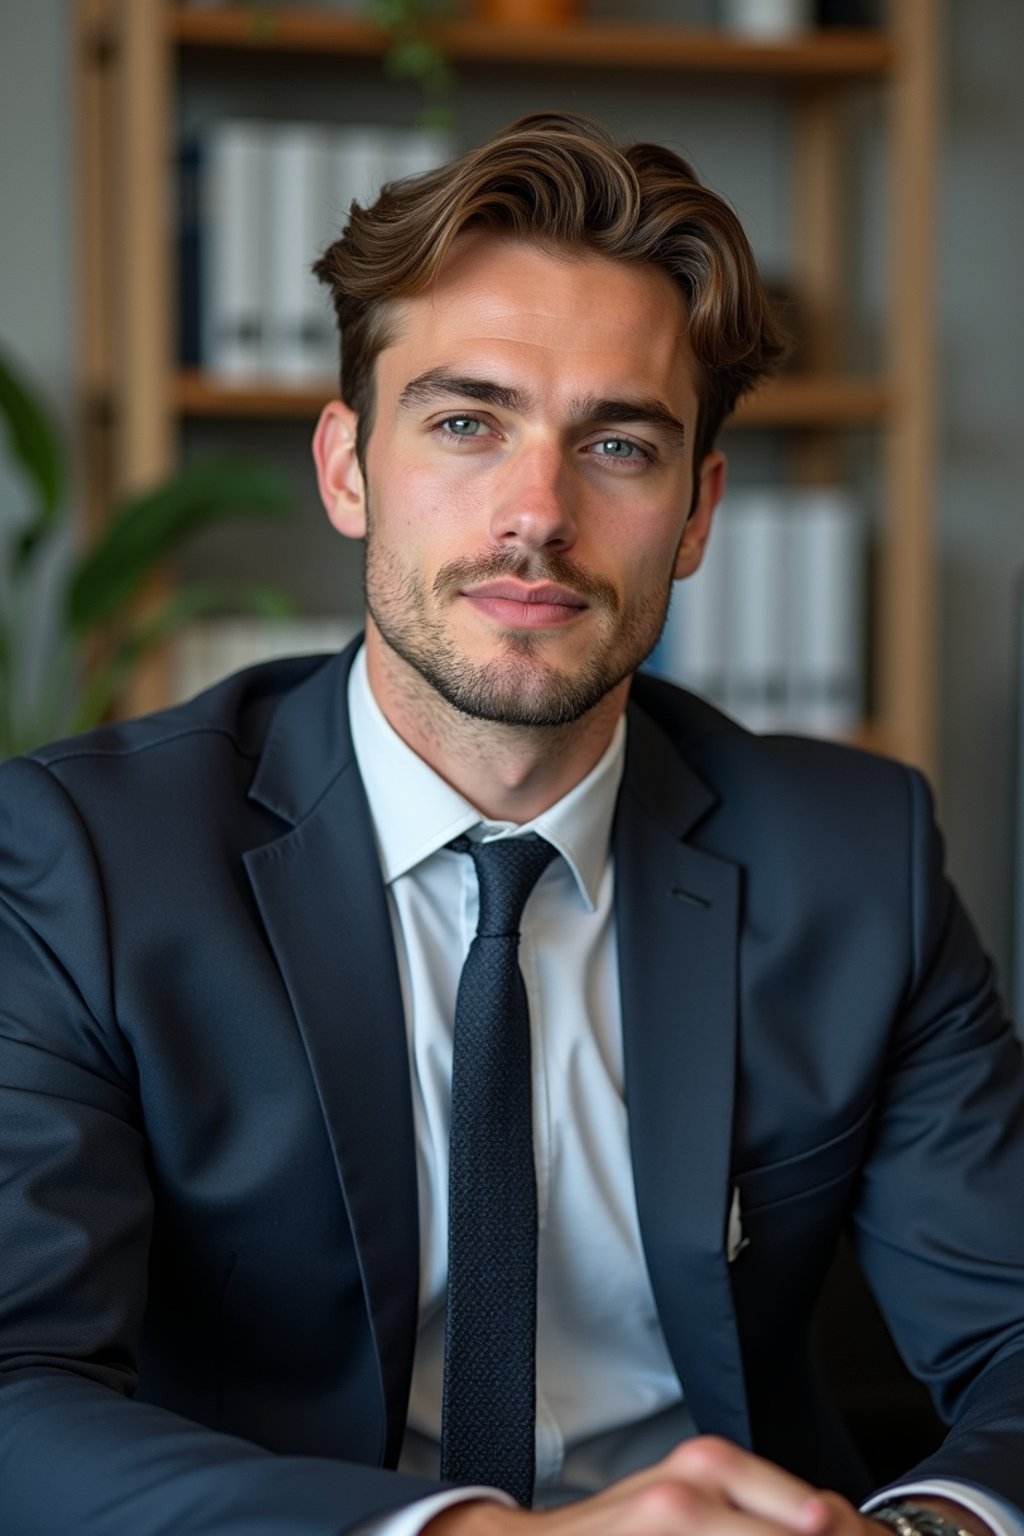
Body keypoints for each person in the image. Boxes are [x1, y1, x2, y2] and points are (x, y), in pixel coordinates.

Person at [1, 111, 1023, 1536]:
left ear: (698, 512)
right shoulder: (86, 860)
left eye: (618, 443)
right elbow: (15, 1393)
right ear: (350, 469)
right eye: (467, 422)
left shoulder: (860, 860)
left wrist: (925, 1532)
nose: (536, 513)